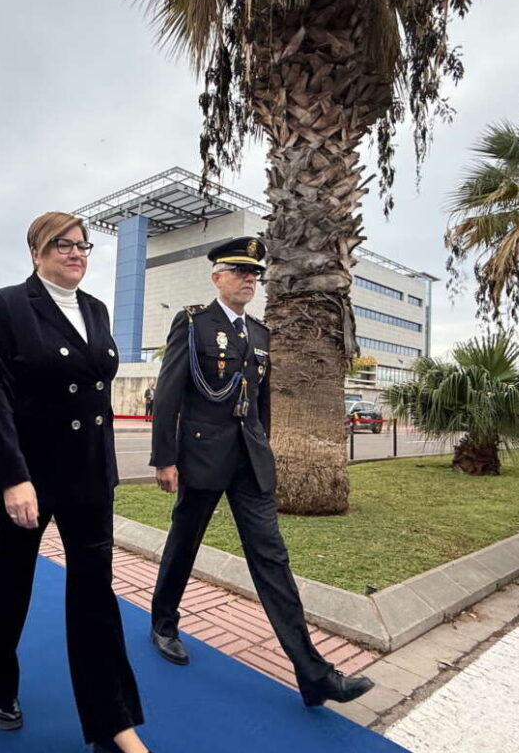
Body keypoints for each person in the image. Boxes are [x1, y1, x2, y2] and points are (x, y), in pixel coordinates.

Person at [148, 236, 374, 708]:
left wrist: (264, 449)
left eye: (254, 273)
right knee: (183, 543)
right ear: (217, 277)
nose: (249, 279)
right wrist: (164, 459)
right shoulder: (192, 323)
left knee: (272, 559)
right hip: (202, 458)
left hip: (249, 463)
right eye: (239, 271)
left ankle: (314, 676)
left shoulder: (261, 333)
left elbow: (261, 404)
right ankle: (163, 623)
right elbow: (169, 393)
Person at [0, 212, 152, 753]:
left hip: (89, 474)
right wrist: (12, 477)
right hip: (28, 474)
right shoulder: (5, 305)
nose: (76, 253)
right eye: (63, 245)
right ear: (37, 251)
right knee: (9, 578)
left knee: (95, 591)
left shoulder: (95, 308)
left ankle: (113, 724)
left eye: (84, 245)